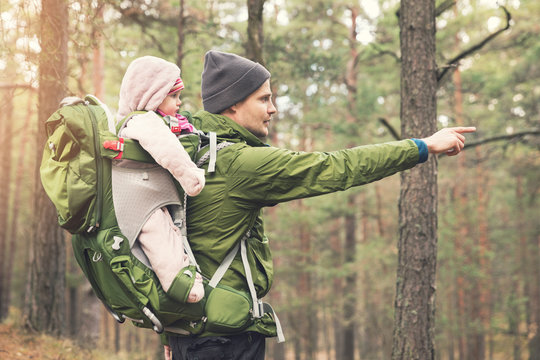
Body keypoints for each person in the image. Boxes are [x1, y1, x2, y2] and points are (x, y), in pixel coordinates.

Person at [163, 50, 475, 360]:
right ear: (233, 102)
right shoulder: (239, 163)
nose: (272, 109)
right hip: (223, 341)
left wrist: (171, 330)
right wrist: (422, 146)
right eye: (263, 99)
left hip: (192, 332)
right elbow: (336, 166)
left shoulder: (188, 153)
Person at [115, 56, 205, 304]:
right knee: (159, 236)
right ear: (152, 96)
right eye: (173, 96)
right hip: (139, 198)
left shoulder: (148, 122)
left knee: (166, 234)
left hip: (146, 192)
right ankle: (181, 284)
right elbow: (168, 150)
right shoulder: (143, 121)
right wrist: (191, 176)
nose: (179, 103)